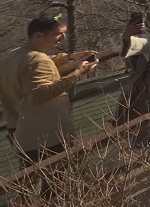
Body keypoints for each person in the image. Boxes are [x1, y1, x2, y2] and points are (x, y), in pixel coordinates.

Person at [0, 11, 98, 163]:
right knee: (63, 180)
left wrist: (69, 58)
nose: (63, 38)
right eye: (58, 34)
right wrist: (77, 72)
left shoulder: (14, 56)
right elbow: (41, 94)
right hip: (48, 137)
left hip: (20, 134)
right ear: (39, 36)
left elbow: (37, 71)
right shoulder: (38, 60)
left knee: (32, 181)